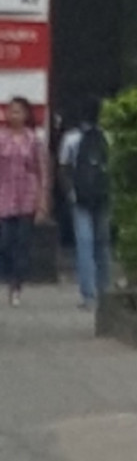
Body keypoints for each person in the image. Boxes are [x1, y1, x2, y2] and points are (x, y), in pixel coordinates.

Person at [58, 97, 112, 309]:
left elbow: (63, 168)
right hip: (103, 197)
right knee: (103, 245)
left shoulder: (71, 138)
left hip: (79, 198)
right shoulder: (108, 137)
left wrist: (70, 192)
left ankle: (88, 296)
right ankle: (106, 291)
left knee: (84, 244)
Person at [0, 97, 47, 306]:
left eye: (18, 111)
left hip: (27, 196)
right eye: (11, 111)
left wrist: (42, 201)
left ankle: (16, 285)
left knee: (22, 243)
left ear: (26, 115)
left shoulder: (33, 139)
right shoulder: (1, 138)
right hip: (5, 195)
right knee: (6, 242)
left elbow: (41, 171)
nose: (13, 115)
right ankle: (9, 276)